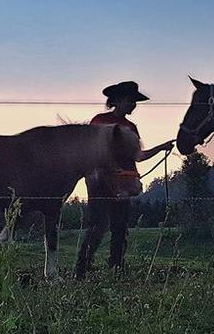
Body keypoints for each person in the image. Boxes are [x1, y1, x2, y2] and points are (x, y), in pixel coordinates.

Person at [74, 81, 173, 277]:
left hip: (124, 182)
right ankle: (83, 268)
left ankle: (116, 267)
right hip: (100, 181)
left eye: (134, 101)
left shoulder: (131, 127)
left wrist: (162, 147)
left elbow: (137, 155)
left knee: (120, 226)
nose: (133, 105)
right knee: (97, 225)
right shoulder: (99, 121)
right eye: (131, 100)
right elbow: (89, 151)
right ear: (118, 100)